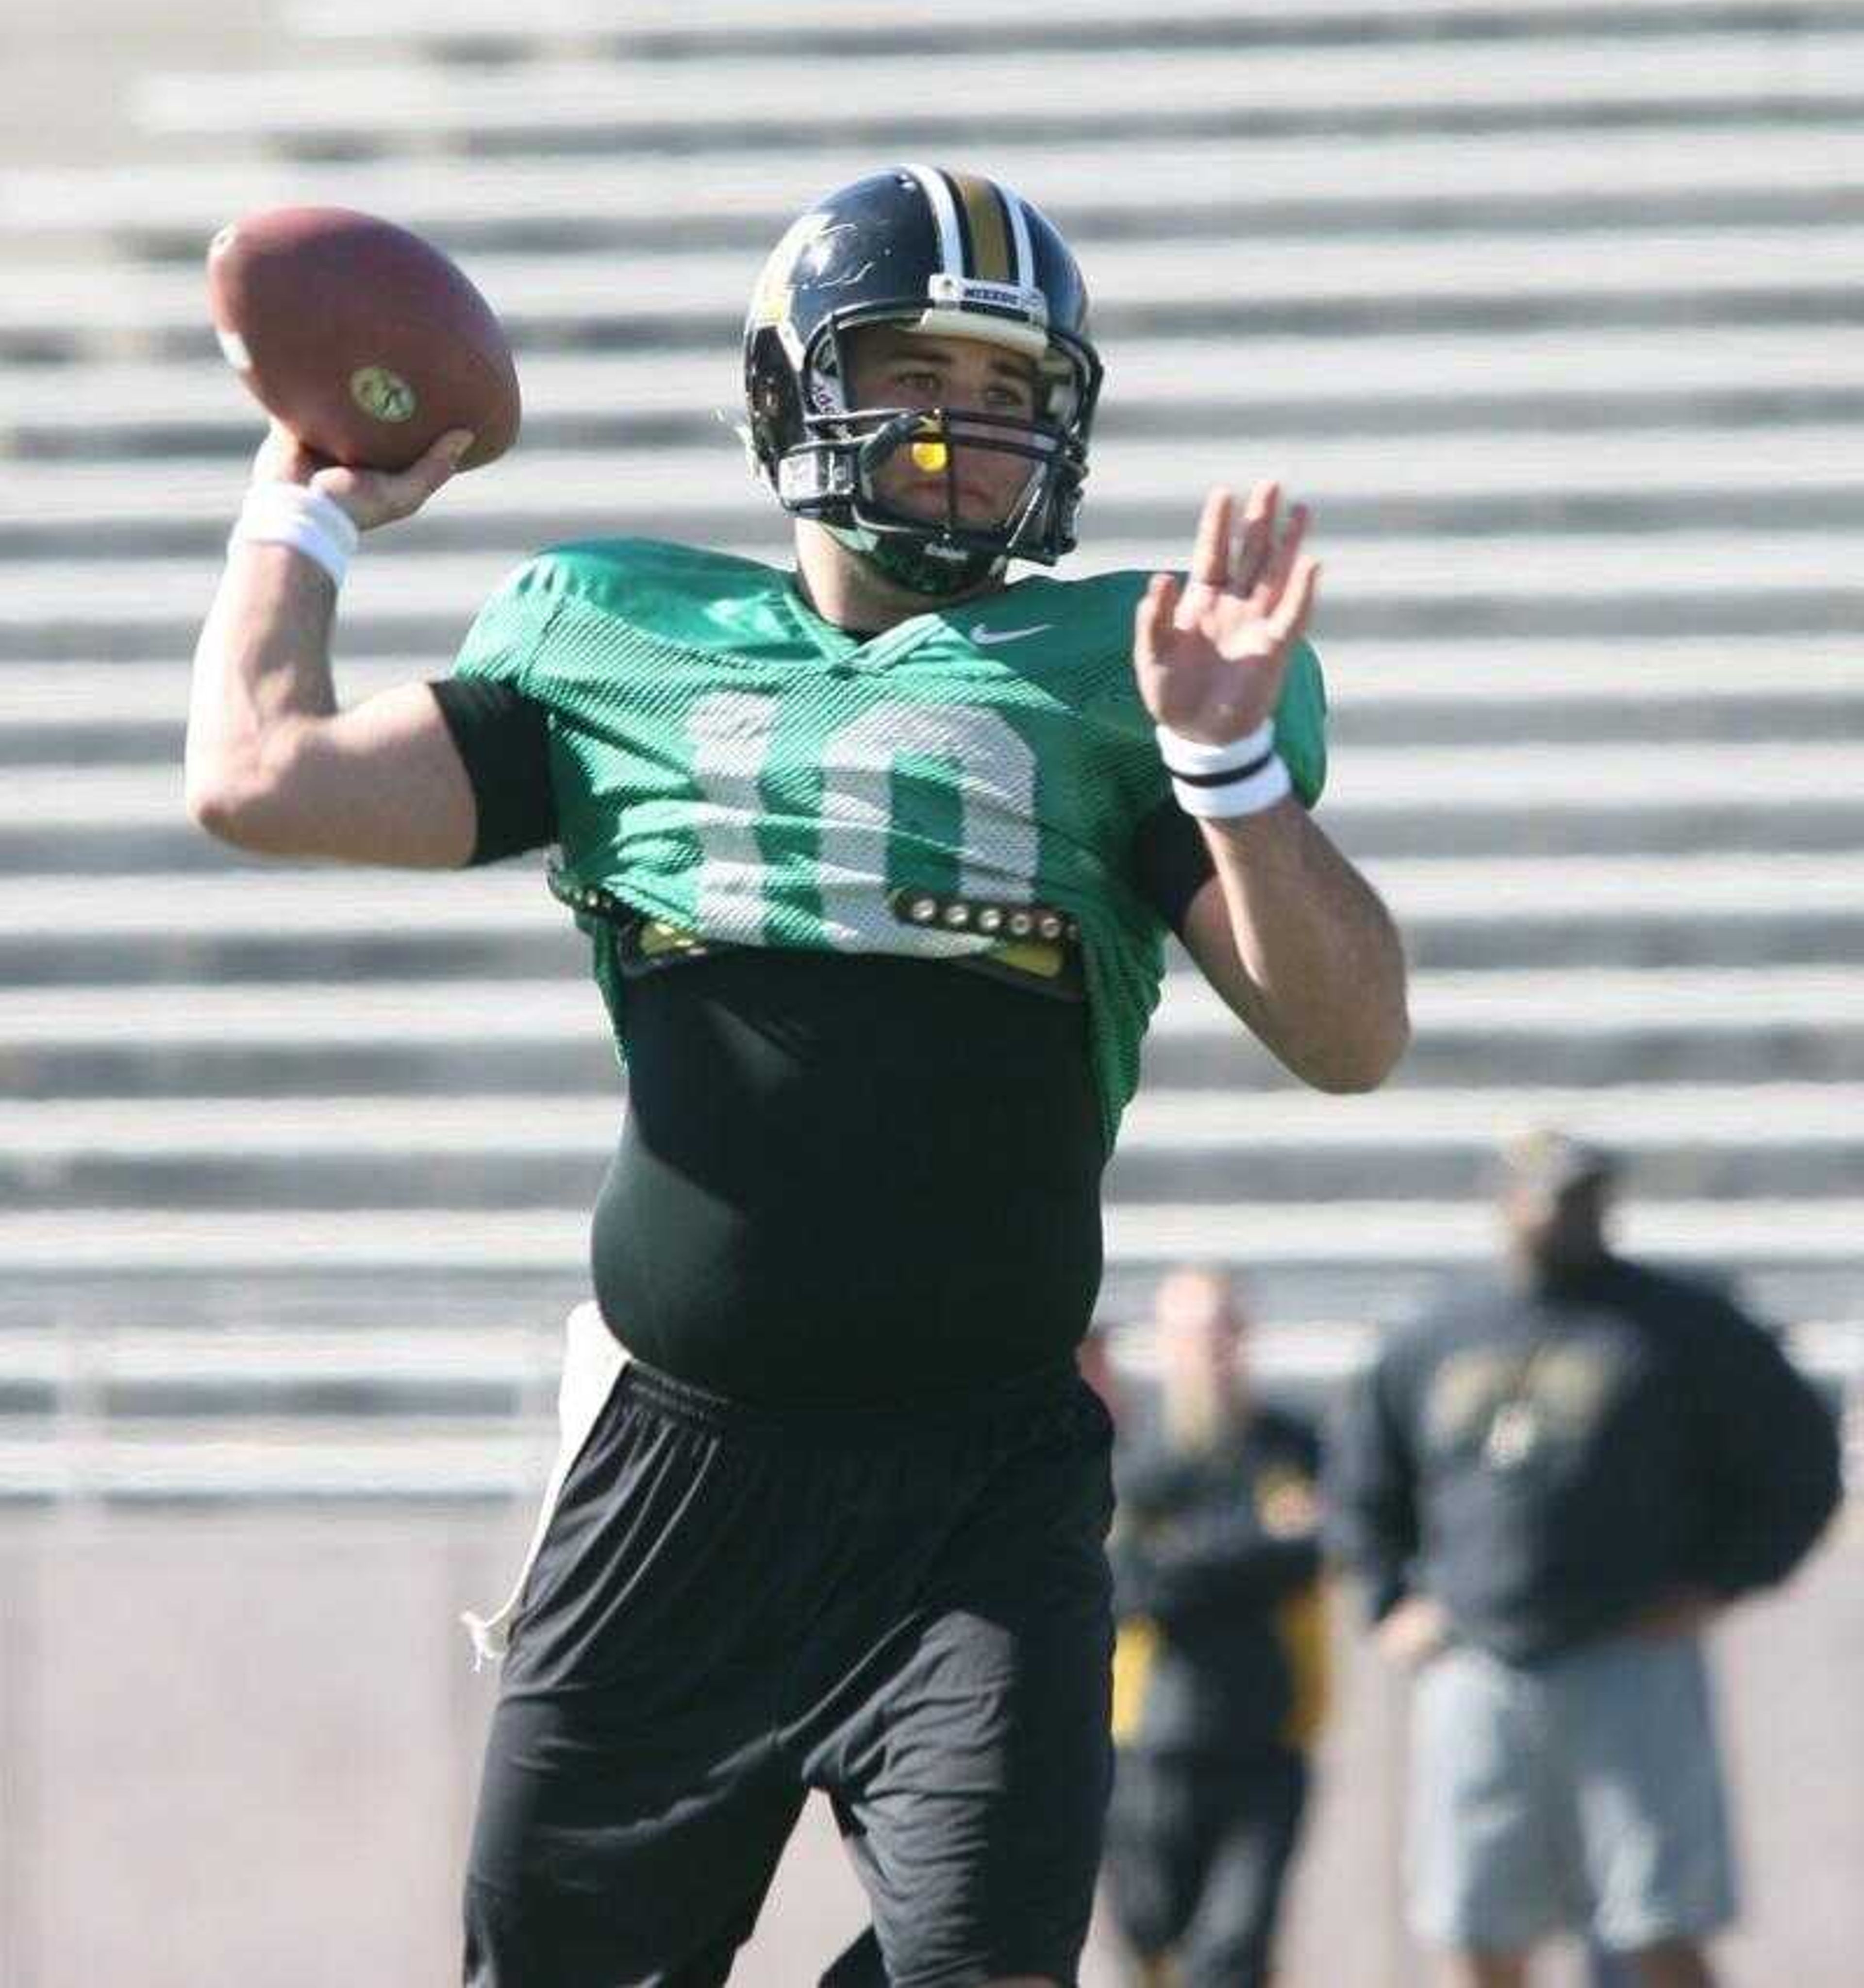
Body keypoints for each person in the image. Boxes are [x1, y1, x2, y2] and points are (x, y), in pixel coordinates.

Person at [185, 165, 1409, 1988]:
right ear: (789, 392)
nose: (963, 432)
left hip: (976, 1495)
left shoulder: (1120, 674)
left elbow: (1350, 1035)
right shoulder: (614, 633)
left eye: (1009, 395)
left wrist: (1232, 778)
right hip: (675, 1476)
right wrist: (306, 521)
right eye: (920, 369)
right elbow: (258, 772)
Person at [1327, 1129, 1844, 1988]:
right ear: (1506, 1201)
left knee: (1659, 1916)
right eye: (1550, 1195)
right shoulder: (1439, 1331)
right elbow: (1362, 1475)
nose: (1568, 1214)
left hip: (1629, 1650)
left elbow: (1798, 1460)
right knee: (1477, 1921)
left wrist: (1724, 1580)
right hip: (1479, 1653)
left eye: (1584, 1196)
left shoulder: (1679, 1325)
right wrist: (1388, 1600)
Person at [1102, 1267, 1329, 1988]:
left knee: (1233, 1954)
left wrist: (1187, 1554)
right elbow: (1128, 1581)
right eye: (1195, 1332)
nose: (1213, 1348)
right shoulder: (1132, 1452)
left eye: (1225, 1328)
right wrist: (1255, 1544)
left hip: (1268, 1737)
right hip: (1149, 1744)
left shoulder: (1292, 1445)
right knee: (1154, 1948)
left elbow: (1315, 1549)